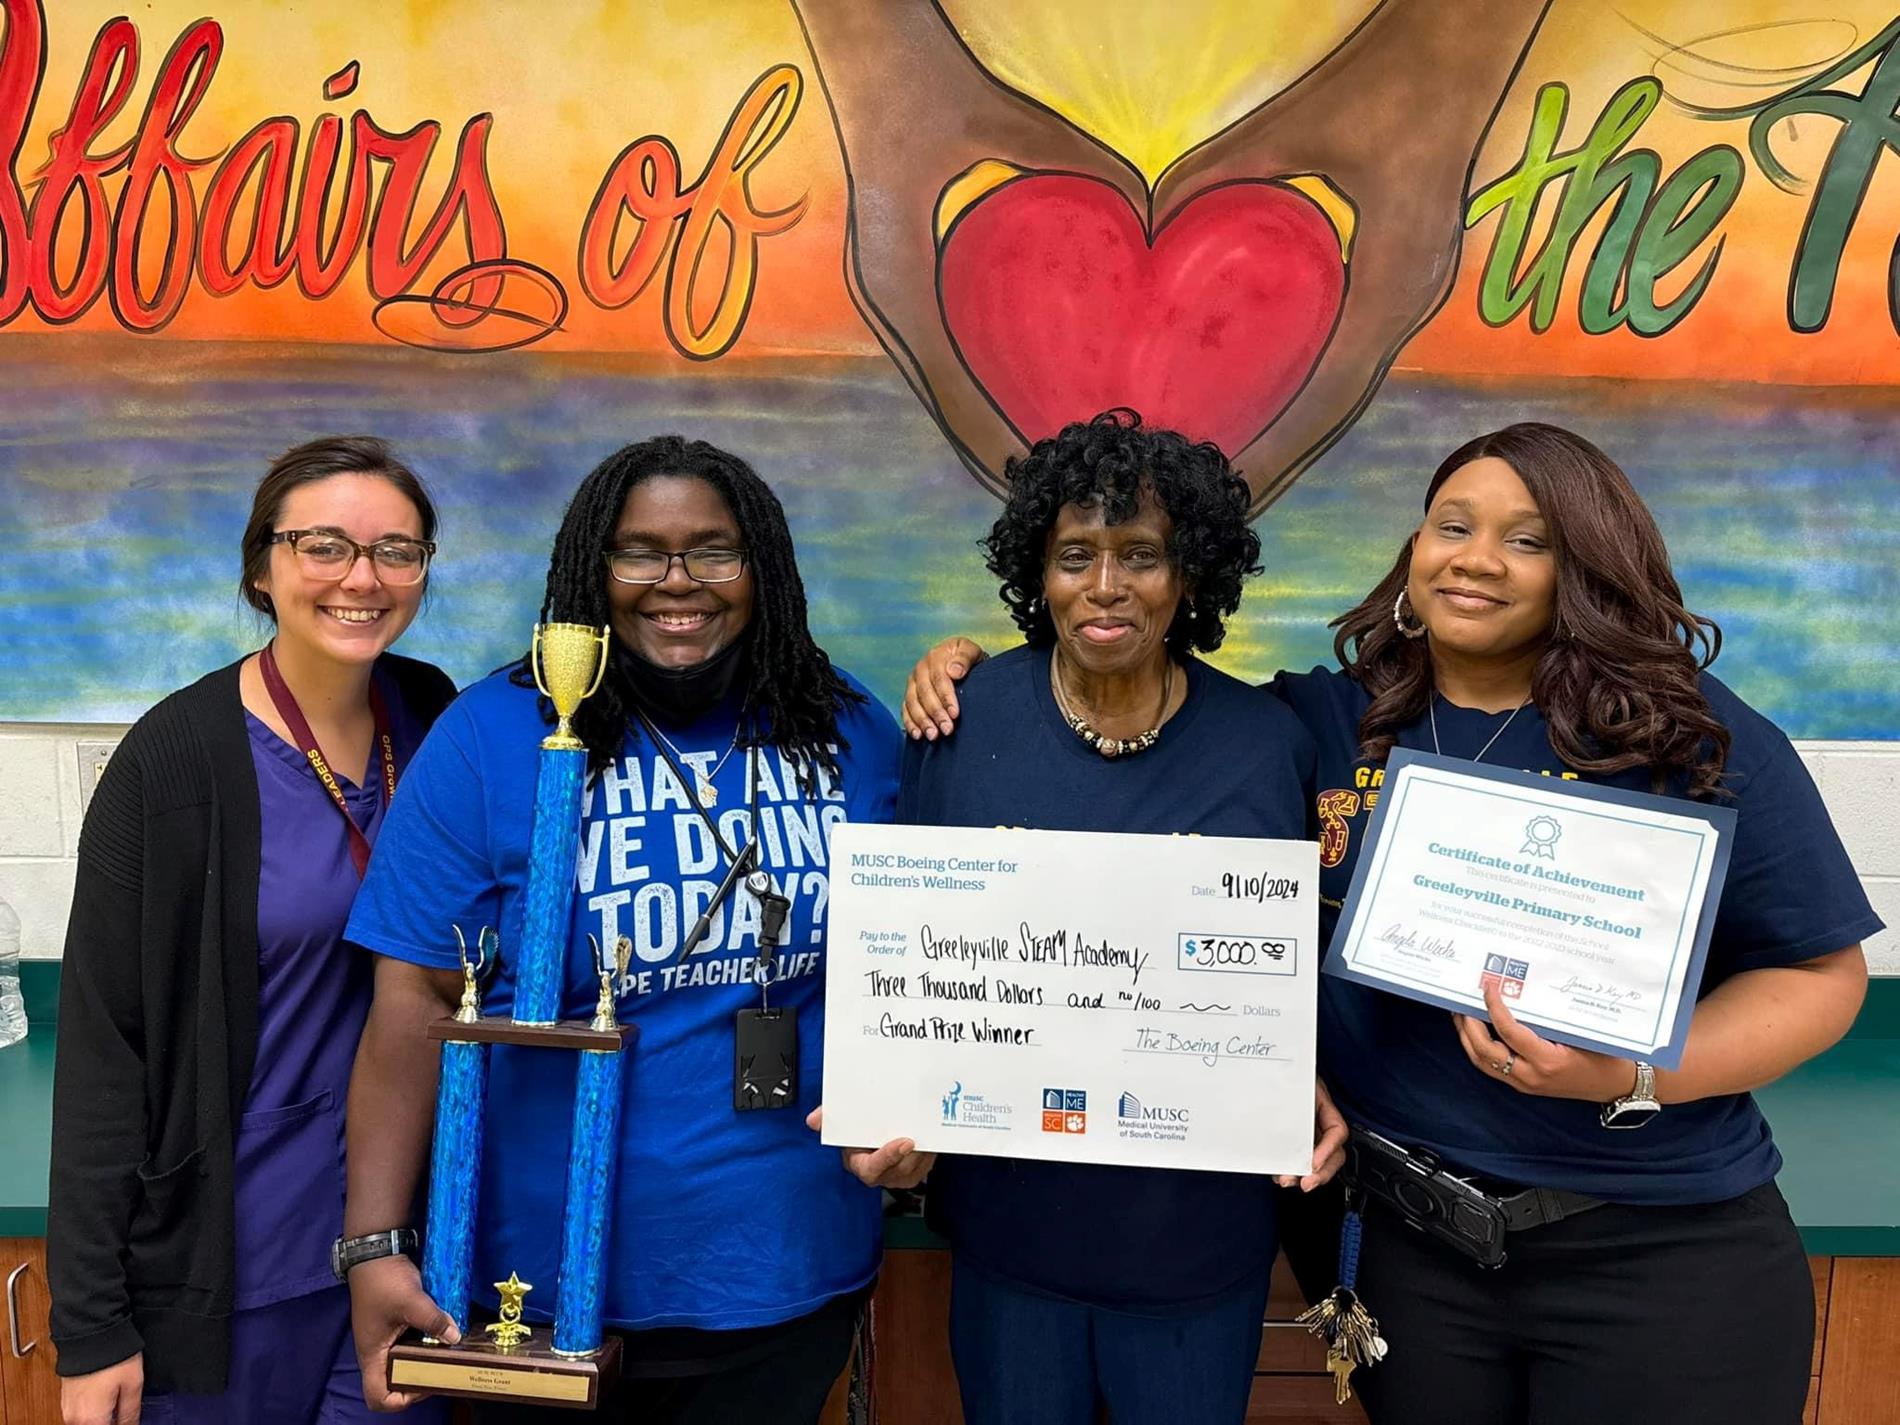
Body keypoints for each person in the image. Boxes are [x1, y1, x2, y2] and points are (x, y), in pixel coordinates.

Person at [903, 421, 1877, 1425]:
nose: (1476, 559)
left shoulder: (1687, 732)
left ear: (1587, 564)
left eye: (1527, 540)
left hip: (1647, 1250)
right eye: (1451, 525)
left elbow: (1819, 979)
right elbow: (1161, 782)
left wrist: (1626, 1074)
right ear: (1414, 550)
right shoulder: (1327, 724)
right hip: (1409, 1258)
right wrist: (981, 670)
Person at [342, 435, 901, 1424]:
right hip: (536, 1294)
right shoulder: (493, 735)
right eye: (638, 551)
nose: (675, 582)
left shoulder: (849, 729)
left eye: (713, 550)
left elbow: (910, 974)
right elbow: (412, 1001)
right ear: (591, 568)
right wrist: (376, 1246)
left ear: (759, 565)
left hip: (782, 1266)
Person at [830, 410, 1347, 1425]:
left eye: (1140, 556)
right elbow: (918, 960)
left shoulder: (1265, 743)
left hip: (1198, 1243)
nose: (1104, 584)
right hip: (1011, 1236)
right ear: (1039, 571)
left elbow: (1279, 982)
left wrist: (1303, 1079)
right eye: (1075, 555)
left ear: (1191, 575)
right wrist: (891, 1107)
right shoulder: (957, 721)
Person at [49, 437, 457, 1425]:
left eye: (396, 550)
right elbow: (107, 1052)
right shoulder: (173, 765)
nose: (362, 578)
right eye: (324, 546)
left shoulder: (436, 715)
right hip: (230, 1276)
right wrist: (91, 1326)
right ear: (261, 569)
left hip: (407, 1259)